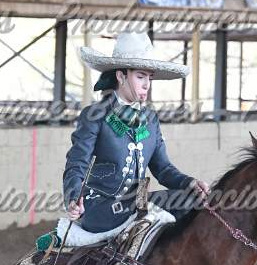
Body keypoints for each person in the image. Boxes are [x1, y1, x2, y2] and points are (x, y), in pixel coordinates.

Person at [63, 32, 207, 235]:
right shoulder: (95, 114)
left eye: (149, 77)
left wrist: (189, 182)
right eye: (140, 76)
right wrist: (73, 197)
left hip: (137, 202)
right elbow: (77, 163)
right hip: (100, 207)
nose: (147, 84)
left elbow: (163, 169)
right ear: (121, 76)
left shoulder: (150, 119)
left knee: (192, 199)